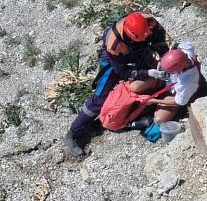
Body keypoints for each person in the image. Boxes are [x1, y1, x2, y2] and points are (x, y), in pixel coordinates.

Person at [64, 11, 169, 157]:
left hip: (139, 49)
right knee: (101, 96)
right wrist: (148, 73)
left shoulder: (149, 22)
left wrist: (164, 59)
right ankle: (74, 133)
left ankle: (129, 112)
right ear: (130, 34)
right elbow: (124, 72)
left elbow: (160, 40)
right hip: (115, 58)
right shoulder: (114, 43)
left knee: (148, 82)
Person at [129, 42, 202, 126]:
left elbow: (180, 101)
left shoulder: (186, 83)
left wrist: (154, 101)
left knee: (159, 119)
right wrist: (172, 48)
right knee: (134, 87)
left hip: (174, 93)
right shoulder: (186, 49)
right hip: (166, 80)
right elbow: (179, 44)